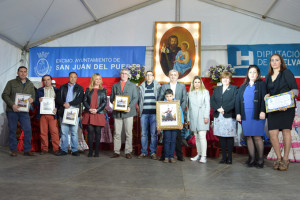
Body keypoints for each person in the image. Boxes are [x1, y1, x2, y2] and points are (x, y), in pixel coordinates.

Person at [265, 53, 298, 171]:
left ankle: (285, 159)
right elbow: (267, 91)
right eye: (272, 60)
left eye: (276, 60)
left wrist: (287, 104)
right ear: (270, 63)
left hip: (286, 109)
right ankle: (278, 159)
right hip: (273, 109)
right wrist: (267, 95)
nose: (274, 62)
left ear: (281, 62)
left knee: (285, 132)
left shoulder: (286, 73)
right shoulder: (268, 76)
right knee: (272, 134)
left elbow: (295, 90)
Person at [235, 65, 266, 168]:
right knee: (248, 136)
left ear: (258, 74)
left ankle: (260, 160)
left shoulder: (261, 84)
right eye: (250, 72)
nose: (252, 74)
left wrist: (263, 111)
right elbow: (238, 101)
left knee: (257, 137)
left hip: (257, 114)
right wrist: (238, 113)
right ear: (247, 74)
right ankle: (252, 159)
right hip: (246, 115)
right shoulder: (243, 86)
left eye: (254, 72)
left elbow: (263, 99)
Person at [2, 66, 36, 156]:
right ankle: (13, 150)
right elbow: (4, 95)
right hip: (12, 110)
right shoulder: (11, 83)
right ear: (17, 73)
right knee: (12, 130)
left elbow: (33, 95)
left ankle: (27, 150)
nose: (23, 73)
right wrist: (12, 105)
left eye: (25, 71)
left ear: (27, 73)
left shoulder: (30, 84)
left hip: (24, 112)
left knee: (28, 130)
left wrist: (32, 99)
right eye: (21, 71)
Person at [159, 69, 187, 161]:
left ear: (177, 76)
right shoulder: (164, 86)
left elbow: (184, 100)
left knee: (177, 138)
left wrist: (179, 112)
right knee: (166, 138)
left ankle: (179, 156)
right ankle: (165, 156)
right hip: (166, 116)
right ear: (169, 76)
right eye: (171, 74)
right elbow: (160, 100)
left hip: (178, 115)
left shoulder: (182, 86)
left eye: (175, 75)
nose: (173, 76)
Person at [110, 68, 138, 159]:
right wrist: (113, 101)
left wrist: (129, 107)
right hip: (117, 112)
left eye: (125, 73)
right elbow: (111, 98)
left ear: (128, 75)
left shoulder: (133, 85)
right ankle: (116, 151)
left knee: (128, 132)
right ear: (120, 74)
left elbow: (135, 98)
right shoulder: (115, 85)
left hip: (128, 112)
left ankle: (128, 151)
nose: (123, 75)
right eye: (122, 73)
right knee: (117, 133)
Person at [211, 71, 238, 164]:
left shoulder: (234, 88)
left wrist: (224, 109)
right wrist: (218, 108)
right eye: (223, 78)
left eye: (227, 78)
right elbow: (213, 100)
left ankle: (229, 157)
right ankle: (223, 158)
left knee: (229, 137)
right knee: (221, 137)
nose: (225, 80)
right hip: (219, 116)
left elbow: (235, 101)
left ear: (230, 79)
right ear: (221, 79)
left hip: (229, 115)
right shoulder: (217, 89)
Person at [56, 72, 84, 156]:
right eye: (71, 77)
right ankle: (63, 150)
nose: (72, 79)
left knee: (74, 132)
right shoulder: (62, 87)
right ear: (68, 77)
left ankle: (74, 150)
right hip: (64, 110)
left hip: (74, 111)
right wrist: (64, 103)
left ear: (76, 78)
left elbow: (80, 99)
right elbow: (57, 98)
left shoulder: (80, 88)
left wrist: (70, 103)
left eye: (74, 77)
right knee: (64, 132)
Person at [137, 70, 161, 159]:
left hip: (154, 113)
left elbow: (160, 99)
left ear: (153, 77)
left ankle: (153, 152)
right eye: (147, 75)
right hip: (144, 114)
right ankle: (143, 152)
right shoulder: (141, 87)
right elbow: (139, 100)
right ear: (145, 77)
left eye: (150, 75)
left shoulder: (158, 87)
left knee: (154, 134)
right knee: (143, 133)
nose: (149, 77)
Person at [82, 73, 107, 157]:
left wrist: (97, 110)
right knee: (90, 133)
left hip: (98, 113)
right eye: (96, 79)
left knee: (98, 132)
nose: (98, 81)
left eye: (99, 79)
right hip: (89, 113)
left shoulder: (103, 90)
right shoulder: (88, 89)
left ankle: (96, 151)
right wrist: (89, 109)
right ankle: (90, 151)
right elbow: (84, 101)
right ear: (93, 80)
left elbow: (104, 102)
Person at [35, 75, 60, 155]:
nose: (47, 81)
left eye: (48, 79)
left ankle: (56, 149)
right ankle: (44, 149)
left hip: (53, 114)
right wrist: (38, 100)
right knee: (43, 132)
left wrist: (56, 108)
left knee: (54, 132)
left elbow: (59, 102)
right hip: (43, 114)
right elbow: (35, 103)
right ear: (43, 81)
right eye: (45, 80)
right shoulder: (39, 91)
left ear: (51, 80)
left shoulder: (57, 90)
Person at [187, 76, 210, 163]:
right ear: (193, 83)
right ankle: (199, 154)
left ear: (201, 83)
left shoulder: (205, 92)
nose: (197, 84)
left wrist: (206, 117)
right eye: (195, 82)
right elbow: (189, 107)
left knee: (202, 136)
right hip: (193, 117)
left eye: (198, 82)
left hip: (202, 116)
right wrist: (188, 118)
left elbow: (207, 105)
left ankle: (204, 156)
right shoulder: (190, 93)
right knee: (196, 137)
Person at [160, 89, 184, 163]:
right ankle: (166, 157)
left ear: (173, 96)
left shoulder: (176, 104)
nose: (168, 98)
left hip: (174, 126)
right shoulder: (162, 104)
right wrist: (159, 125)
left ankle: (171, 156)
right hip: (166, 126)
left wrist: (181, 122)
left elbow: (180, 113)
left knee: (173, 141)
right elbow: (160, 114)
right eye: (167, 96)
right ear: (165, 96)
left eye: (170, 96)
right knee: (167, 140)